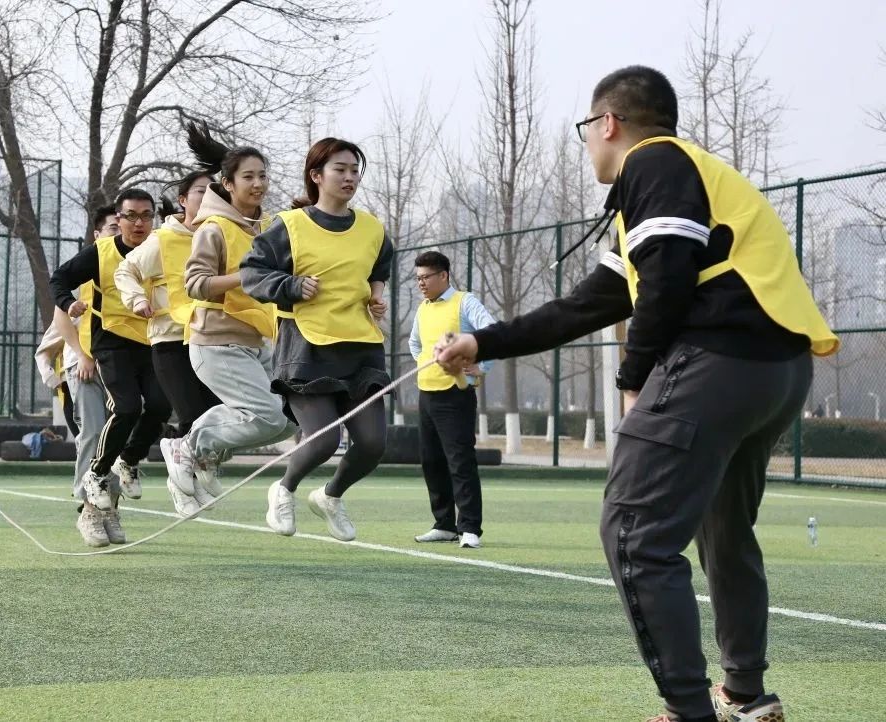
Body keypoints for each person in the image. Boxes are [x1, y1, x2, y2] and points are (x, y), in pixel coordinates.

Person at [434, 65, 838, 722]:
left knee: (634, 534)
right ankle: (746, 695)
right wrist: (482, 343)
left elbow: (669, 281)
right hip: (778, 369)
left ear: (608, 123)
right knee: (724, 531)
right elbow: (585, 305)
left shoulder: (653, 163)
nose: (587, 145)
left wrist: (632, 379)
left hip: (718, 363)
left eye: (585, 131)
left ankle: (688, 710)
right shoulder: (679, 185)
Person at [241, 137, 392, 542]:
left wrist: (376, 294)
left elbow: (380, 265)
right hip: (307, 347)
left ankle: (330, 495)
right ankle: (283, 489)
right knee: (324, 440)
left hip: (361, 347)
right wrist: (291, 286)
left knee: (373, 443)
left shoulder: (372, 228)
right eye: (340, 169)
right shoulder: (290, 226)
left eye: (354, 170)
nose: (349, 177)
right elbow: (251, 274)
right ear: (316, 176)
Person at [161, 121, 295, 517]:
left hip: (256, 342)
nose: (258, 183)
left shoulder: (268, 228)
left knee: (291, 418)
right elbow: (195, 284)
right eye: (248, 177)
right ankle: (186, 447)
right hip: (215, 343)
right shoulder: (213, 229)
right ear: (228, 184)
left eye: (262, 175)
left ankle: (203, 453)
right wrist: (245, 277)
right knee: (267, 416)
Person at [49, 189, 173, 515]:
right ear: (119, 219)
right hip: (112, 341)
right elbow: (59, 278)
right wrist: (69, 303)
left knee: (161, 404)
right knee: (126, 407)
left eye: (146, 216)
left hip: (152, 339)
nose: (139, 223)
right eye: (131, 216)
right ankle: (96, 473)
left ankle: (128, 461)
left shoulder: (161, 248)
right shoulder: (100, 253)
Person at [115, 172, 222, 491]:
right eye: (201, 191)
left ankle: (201, 463)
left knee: (217, 414)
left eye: (214, 191)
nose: (209, 196)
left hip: (212, 337)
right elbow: (126, 271)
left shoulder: (222, 235)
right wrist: (137, 299)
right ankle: (169, 463)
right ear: (183, 200)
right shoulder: (163, 239)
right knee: (191, 413)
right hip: (171, 339)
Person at [39, 205, 124, 546]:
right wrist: (81, 356)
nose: (121, 231)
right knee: (92, 433)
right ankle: (88, 506)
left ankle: (110, 507)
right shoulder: (86, 270)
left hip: (121, 366)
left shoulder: (133, 268)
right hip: (86, 367)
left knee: (119, 438)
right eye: (114, 226)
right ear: (97, 235)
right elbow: (59, 321)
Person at [407, 251, 496, 550]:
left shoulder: (464, 302)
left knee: (460, 462)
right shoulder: (423, 309)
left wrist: (481, 367)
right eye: (417, 278)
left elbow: (491, 332)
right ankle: (444, 525)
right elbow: (415, 343)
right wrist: (426, 362)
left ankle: (469, 528)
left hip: (456, 396)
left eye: (425, 277)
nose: (421, 283)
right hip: (426, 395)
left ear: (443, 275)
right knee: (431, 461)